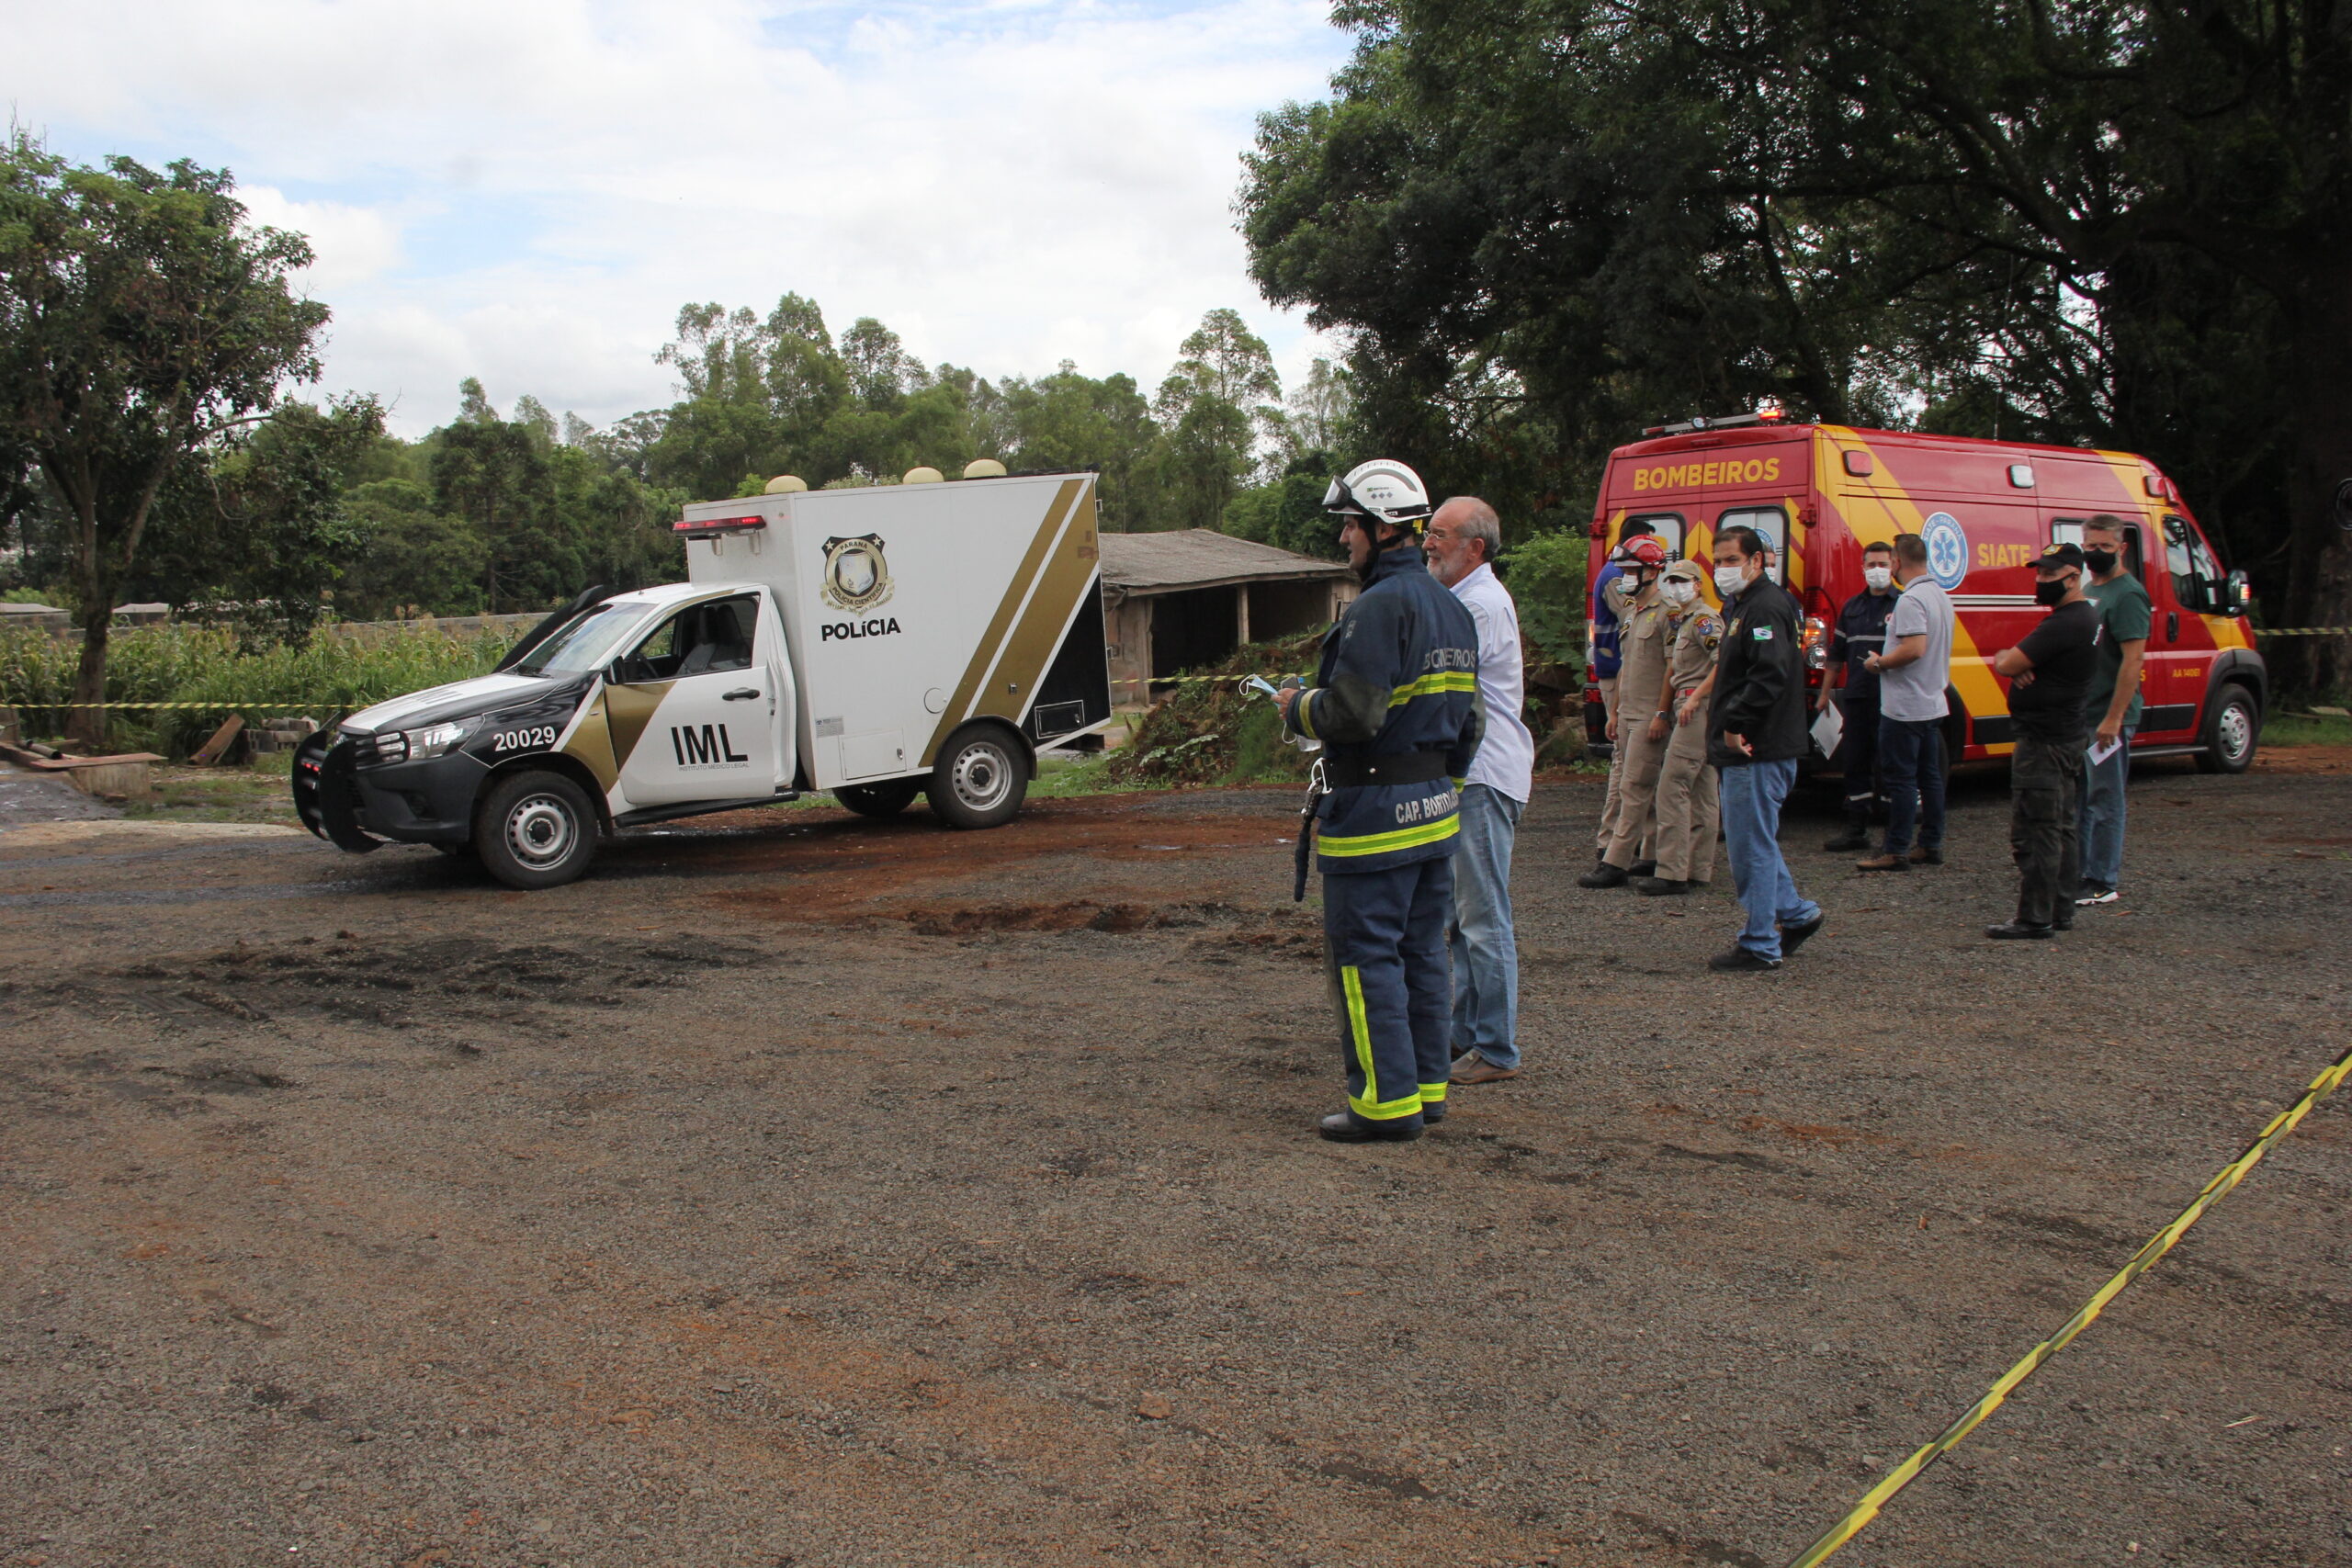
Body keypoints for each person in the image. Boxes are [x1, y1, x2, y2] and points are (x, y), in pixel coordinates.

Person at [1280, 458, 1485, 1141]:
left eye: (1349, 525)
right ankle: (1427, 1090)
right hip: (1433, 815)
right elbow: (1471, 723)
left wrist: (1295, 705)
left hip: (1371, 819)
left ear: (1381, 526)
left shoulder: (1376, 608)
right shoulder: (1452, 607)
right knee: (1425, 953)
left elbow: (1352, 715)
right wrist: (1442, 795)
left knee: (1366, 959)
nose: (1344, 539)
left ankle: (1383, 1103)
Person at [1423, 497, 1533, 1087]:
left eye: (1441, 534)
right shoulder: (1463, 599)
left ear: (1476, 548)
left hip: (1483, 774)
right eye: (1428, 532)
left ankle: (1495, 1046)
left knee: (1483, 916)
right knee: (1463, 917)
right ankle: (1468, 1035)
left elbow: (1451, 690)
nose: (1429, 543)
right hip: (1470, 774)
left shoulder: (1481, 606)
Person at [1704, 525, 1822, 971]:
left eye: (1731, 560)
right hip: (1754, 746)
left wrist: (1736, 724)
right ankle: (1795, 913)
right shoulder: (1745, 605)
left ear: (1758, 561)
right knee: (1755, 842)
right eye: (1718, 561)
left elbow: (1768, 674)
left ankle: (1759, 943)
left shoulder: (1766, 606)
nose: (1722, 569)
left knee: (1750, 847)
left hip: (1759, 746)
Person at [1986, 543, 2101, 940]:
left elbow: (2008, 662)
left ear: (2073, 577)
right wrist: (2017, 662)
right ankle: (2061, 908)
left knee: (2037, 831)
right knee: (2062, 827)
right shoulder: (2087, 617)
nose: (2040, 581)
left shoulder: (2065, 622)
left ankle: (2035, 917)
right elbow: (2018, 661)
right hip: (2066, 735)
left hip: (2044, 742)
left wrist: (2012, 662)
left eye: (2049, 575)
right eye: (2039, 573)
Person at [1856, 531, 1954, 872]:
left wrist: (1878, 663)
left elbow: (1914, 648)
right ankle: (1930, 843)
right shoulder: (1939, 595)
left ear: (1897, 561)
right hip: (1931, 700)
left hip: (1905, 705)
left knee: (1900, 780)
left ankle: (1896, 849)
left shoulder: (1911, 600)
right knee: (1930, 779)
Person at [1582, 536, 1668, 888]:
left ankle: (1615, 860)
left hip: (1650, 712)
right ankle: (1647, 855)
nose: (1626, 577)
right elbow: (1626, 667)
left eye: (1633, 570)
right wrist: (1614, 712)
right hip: (1629, 707)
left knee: (1634, 785)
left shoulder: (1667, 615)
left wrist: (1662, 714)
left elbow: (1673, 671)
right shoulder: (1632, 613)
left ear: (1652, 572)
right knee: (1634, 782)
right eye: (1625, 570)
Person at [2075, 514, 2151, 907]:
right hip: (2084, 713)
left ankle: (2103, 879)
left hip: (2108, 718)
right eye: (2091, 547)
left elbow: (2132, 661)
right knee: (2082, 798)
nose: (2097, 553)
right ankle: (2080, 872)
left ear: (2121, 548)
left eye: (2105, 547)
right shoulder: (2090, 589)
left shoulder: (2128, 595)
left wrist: (2115, 718)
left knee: (2106, 800)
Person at [1635, 558, 1723, 895]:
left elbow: (1722, 661)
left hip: (1696, 707)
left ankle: (1672, 871)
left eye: (1684, 581)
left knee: (1673, 785)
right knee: (1702, 789)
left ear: (1698, 585)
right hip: (1688, 705)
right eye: (1671, 581)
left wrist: (1695, 698)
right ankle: (1698, 868)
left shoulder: (1703, 620)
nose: (1676, 587)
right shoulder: (1683, 621)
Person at [1819, 541, 1898, 852]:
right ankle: (1856, 830)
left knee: (1890, 764)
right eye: (1871, 565)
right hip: (1857, 697)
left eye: (1882, 564)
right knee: (1855, 763)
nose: (1876, 570)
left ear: (1893, 566)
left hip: (1891, 699)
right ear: (1862, 567)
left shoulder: (1902, 604)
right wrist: (1824, 694)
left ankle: (1894, 834)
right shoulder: (1852, 607)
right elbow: (1836, 656)